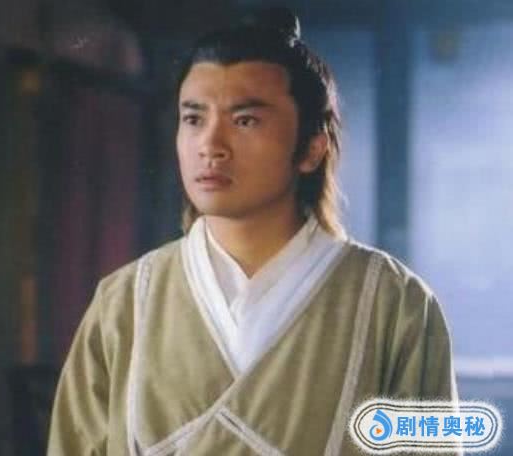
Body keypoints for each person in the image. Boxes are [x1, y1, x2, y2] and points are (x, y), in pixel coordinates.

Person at [47, 8, 458, 455]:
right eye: (194, 119)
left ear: (312, 148)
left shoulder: (395, 305)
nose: (211, 145)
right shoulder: (123, 303)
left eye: (245, 120)